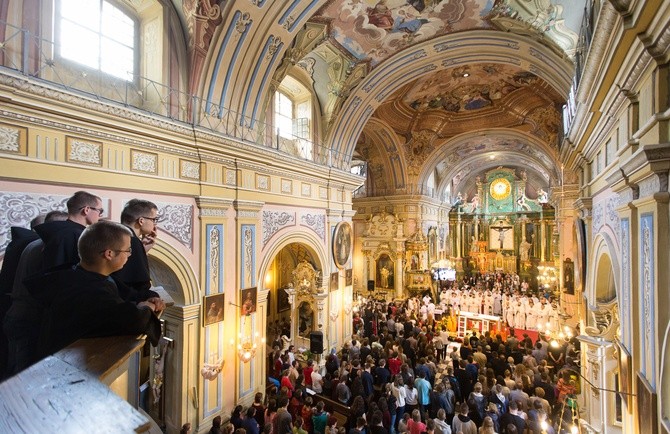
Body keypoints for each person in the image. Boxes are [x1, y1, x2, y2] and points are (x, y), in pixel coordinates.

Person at [25, 220, 162, 359]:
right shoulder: (86, 288)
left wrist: (148, 298)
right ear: (109, 254)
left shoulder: (87, 275)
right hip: (69, 365)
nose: (130, 255)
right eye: (127, 250)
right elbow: (131, 319)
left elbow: (129, 295)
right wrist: (147, 308)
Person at [37, 190, 104, 269]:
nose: (101, 215)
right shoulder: (77, 236)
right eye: (100, 211)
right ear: (86, 210)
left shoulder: (58, 231)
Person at [111, 199, 162, 300]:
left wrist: (143, 250)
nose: (155, 224)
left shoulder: (115, 235)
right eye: (154, 219)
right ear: (141, 221)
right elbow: (140, 284)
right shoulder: (133, 241)